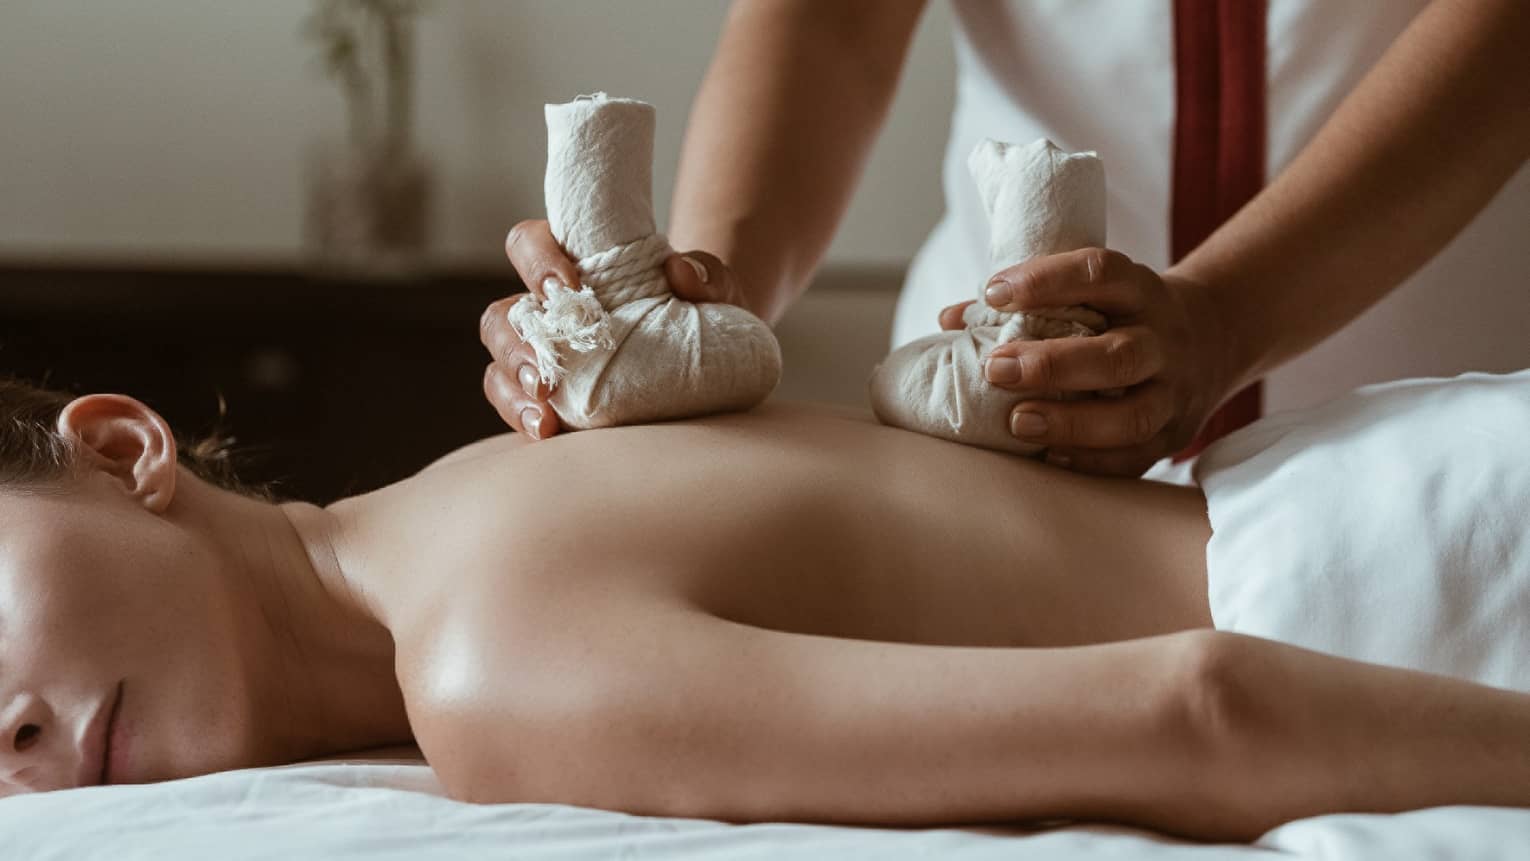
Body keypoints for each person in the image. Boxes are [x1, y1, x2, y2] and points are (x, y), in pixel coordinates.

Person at [5, 373, 1530, 843]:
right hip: (1395, 483)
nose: (9, 731)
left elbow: (1201, 708)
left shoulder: (491, 671)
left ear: (125, 448)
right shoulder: (476, 490)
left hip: (1412, 604)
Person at [480, 0, 1529, 477]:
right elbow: (834, 27)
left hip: (1425, 426)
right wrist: (694, 309)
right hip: (993, 429)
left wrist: (1226, 317)